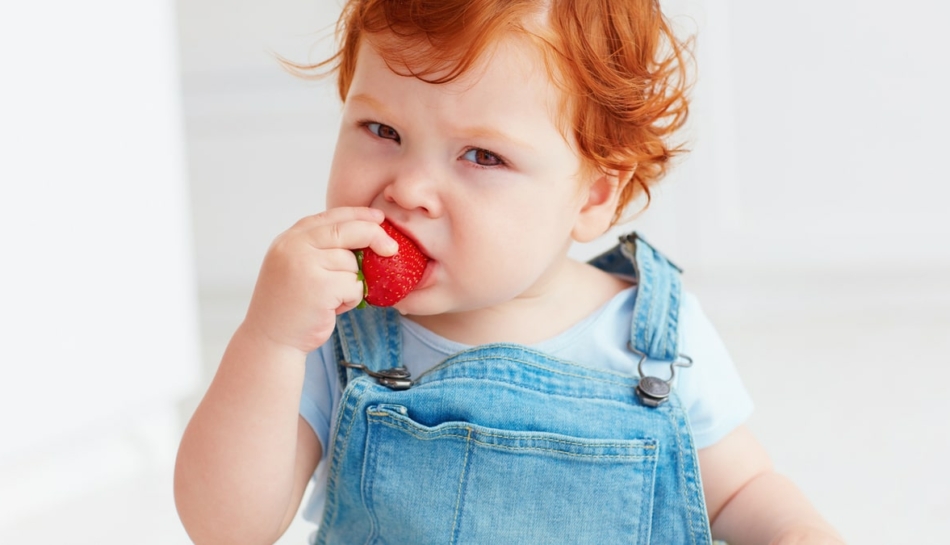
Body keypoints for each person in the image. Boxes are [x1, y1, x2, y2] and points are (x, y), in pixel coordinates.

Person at [174, 0, 845, 543]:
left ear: (592, 196)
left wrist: (796, 530)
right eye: (381, 129)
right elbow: (225, 527)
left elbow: (742, 490)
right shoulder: (336, 333)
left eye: (481, 156)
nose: (408, 189)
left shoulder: (649, 342)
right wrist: (268, 339)